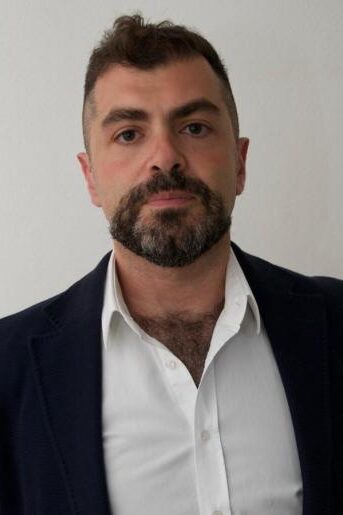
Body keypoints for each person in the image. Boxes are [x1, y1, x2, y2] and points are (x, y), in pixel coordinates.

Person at [0, 14, 342, 515]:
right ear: (90, 177)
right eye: (129, 133)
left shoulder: (336, 324)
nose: (165, 156)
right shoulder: (9, 370)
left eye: (195, 127)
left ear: (240, 163)